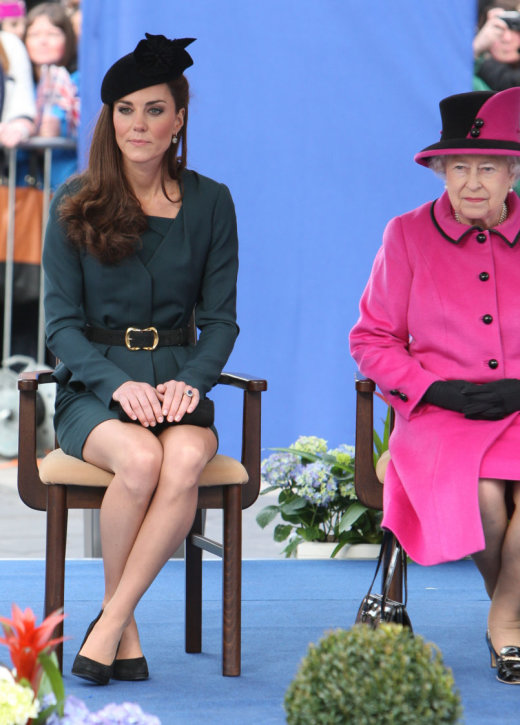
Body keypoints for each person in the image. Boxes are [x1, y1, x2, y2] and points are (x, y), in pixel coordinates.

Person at [349, 86, 520, 685]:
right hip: (443, 415)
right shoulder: (407, 235)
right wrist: (433, 391)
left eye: (488, 168)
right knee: (483, 496)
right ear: (440, 171)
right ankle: (516, 617)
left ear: (514, 171)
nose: (472, 182)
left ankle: (503, 620)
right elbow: (372, 339)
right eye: (459, 168)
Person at [42, 33, 239, 685]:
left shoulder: (212, 201)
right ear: (109, 118)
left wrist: (193, 381)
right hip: (93, 389)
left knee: (180, 458)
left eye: (155, 110)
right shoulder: (74, 199)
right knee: (142, 458)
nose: (139, 124)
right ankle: (120, 628)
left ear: (178, 119)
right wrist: (116, 385)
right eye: (125, 110)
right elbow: (60, 326)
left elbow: (220, 320)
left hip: (179, 383)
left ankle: (109, 620)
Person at [22, 1, 79, 188]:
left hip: (68, 185)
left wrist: (62, 131)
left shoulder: (78, 82)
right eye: (34, 34)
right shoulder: (21, 85)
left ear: (67, 38)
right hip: (26, 189)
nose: (43, 41)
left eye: (52, 34)